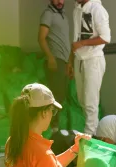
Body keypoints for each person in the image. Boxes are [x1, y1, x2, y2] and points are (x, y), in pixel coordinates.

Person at [68, 0, 111, 135]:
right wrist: (70, 61)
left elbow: (105, 37)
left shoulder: (97, 9)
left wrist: (82, 44)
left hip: (94, 60)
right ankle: (91, 135)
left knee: (90, 103)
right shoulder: (77, 10)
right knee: (82, 101)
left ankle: (89, 139)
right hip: (79, 59)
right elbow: (75, 39)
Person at [38, 0, 70, 129]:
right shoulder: (48, 14)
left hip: (64, 62)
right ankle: (53, 129)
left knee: (61, 96)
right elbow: (41, 38)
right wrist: (50, 57)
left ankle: (56, 129)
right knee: (55, 97)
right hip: (56, 61)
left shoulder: (63, 16)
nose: (59, 1)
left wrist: (70, 63)